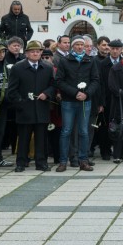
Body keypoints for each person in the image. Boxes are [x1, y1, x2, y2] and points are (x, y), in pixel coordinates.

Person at [7, 41, 54, 171]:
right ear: (26, 53)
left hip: (41, 108)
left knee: (41, 138)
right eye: (32, 51)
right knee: (23, 138)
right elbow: (12, 90)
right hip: (25, 109)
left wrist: (46, 93)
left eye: (38, 51)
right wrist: (21, 103)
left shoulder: (47, 68)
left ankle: (41, 162)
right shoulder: (18, 68)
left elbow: (53, 86)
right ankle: (21, 163)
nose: (35, 53)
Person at [54, 37, 99, 172]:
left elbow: (95, 80)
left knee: (84, 131)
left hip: (85, 101)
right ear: (72, 46)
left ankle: (83, 160)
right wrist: (75, 93)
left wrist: (87, 94)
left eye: (82, 45)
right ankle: (63, 161)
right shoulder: (65, 60)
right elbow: (59, 81)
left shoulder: (90, 60)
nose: (80, 47)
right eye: (77, 44)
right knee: (66, 131)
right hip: (69, 101)